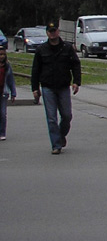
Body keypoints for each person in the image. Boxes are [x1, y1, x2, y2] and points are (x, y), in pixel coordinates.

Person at [30, 21, 81, 155]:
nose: (52, 34)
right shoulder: (41, 50)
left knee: (67, 115)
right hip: (48, 87)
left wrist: (76, 82)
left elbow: (76, 64)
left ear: (58, 32)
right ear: (47, 33)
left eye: (54, 31)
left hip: (63, 86)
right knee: (51, 118)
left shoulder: (67, 48)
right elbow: (35, 70)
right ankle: (56, 145)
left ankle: (60, 134)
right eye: (50, 31)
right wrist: (35, 88)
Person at [0, 45, 15, 141]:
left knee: (2, 113)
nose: (2, 56)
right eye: (0, 54)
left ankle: (2, 132)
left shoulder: (7, 66)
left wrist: (13, 93)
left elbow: (11, 80)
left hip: (3, 92)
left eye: (3, 54)